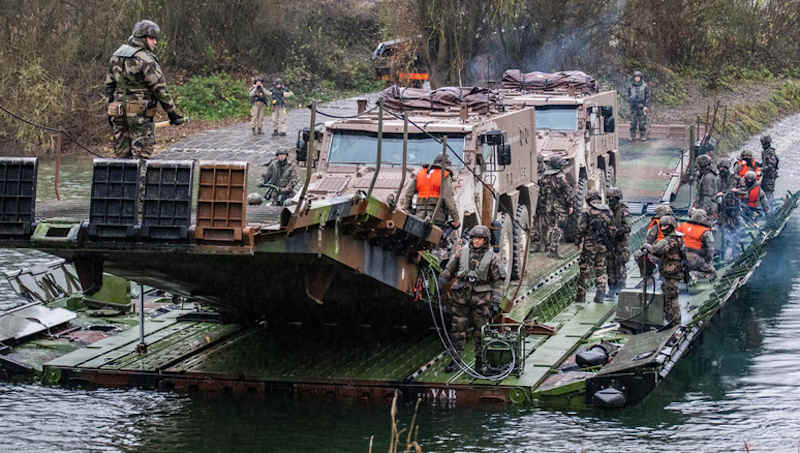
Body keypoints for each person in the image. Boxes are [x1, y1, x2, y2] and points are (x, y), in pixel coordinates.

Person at [104, 19, 184, 159]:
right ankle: (139, 181)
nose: (155, 42)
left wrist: (109, 110)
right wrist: (172, 114)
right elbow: (160, 90)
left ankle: (121, 181)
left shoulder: (116, 55)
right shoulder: (146, 59)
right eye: (152, 39)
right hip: (139, 115)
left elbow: (109, 87)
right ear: (143, 39)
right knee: (141, 156)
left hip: (117, 112)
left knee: (121, 156)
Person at [438, 225, 506, 373]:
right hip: (461, 297)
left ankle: (480, 361)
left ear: (486, 240)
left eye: (480, 239)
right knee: (457, 329)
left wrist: (496, 301)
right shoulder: (461, 253)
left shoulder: (492, 258)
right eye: (474, 238)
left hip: (481, 300)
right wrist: (440, 284)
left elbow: (498, 282)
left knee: (481, 332)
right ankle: (455, 360)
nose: (476, 241)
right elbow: (449, 271)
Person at [642, 215, 688, 326]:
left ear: (671, 226)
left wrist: (646, 245)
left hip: (671, 272)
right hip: (676, 271)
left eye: (665, 225)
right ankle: (670, 319)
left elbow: (655, 249)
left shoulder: (666, 241)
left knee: (671, 297)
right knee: (667, 295)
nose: (663, 228)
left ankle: (676, 322)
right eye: (662, 225)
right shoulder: (679, 238)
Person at [575, 191, 615, 304]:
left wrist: (577, 242)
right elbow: (613, 230)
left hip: (589, 246)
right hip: (603, 246)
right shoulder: (607, 211)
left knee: (585, 270)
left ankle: (581, 297)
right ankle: (600, 295)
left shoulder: (587, 212)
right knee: (601, 270)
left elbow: (581, 229)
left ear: (588, 200)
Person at [401, 154, 460, 231]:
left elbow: (408, 193)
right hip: (437, 217)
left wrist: (407, 209)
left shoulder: (420, 174)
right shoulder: (444, 175)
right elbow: (448, 199)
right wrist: (456, 219)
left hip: (419, 215)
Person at [540, 156, 575, 259]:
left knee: (550, 226)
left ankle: (548, 247)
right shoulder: (560, 177)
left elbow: (542, 192)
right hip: (559, 206)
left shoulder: (544, 177)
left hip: (548, 205)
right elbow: (567, 193)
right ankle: (553, 250)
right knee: (559, 228)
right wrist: (570, 205)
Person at [676, 209, 716, 280]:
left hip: (682, 256)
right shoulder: (706, 232)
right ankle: (695, 276)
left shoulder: (684, 226)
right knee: (712, 273)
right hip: (696, 258)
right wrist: (708, 262)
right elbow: (710, 250)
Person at [606, 187, 631, 293]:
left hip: (621, 242)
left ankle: (621, 289)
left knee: (620, 265)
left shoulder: (623, 210)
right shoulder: (606, 210)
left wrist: (617, 231)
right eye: (609, 198)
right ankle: (612, 289)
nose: (610, 200)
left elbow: (628, 227)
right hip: (610, 243)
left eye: (612, 198)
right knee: (610, 266)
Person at [627, 70, 649, 140]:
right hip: (633, 106)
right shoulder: (630, 86)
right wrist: (630, 101)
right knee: (633, 122)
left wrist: (645, 106)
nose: (637, 78)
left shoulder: (644, 86)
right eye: (636, 77)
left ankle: (643, 135)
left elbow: (647, 96)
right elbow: (628, 95)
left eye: (638, 77)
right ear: (634, 78)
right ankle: (632, 135)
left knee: (642, 122)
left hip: (641, 106)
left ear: (641, 77)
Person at [532, 154, 548, 252]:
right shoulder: (534, 171)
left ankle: (547, 245)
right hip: (537, 201)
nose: (538, 164)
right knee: (535, 225)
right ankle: (536, 244)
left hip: (545, 202)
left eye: (539, 162)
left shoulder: (546, 173)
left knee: (546, 225)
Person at [760, 135, 780, 201]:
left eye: (763, 143)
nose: (762, 145)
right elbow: (765, 163)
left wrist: (762, 169)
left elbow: (771, 165)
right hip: (765, 175)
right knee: (762, 190)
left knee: (768, 192)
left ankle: (771, 207)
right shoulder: (764, 152)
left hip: (769, 176)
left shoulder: (770, 152)